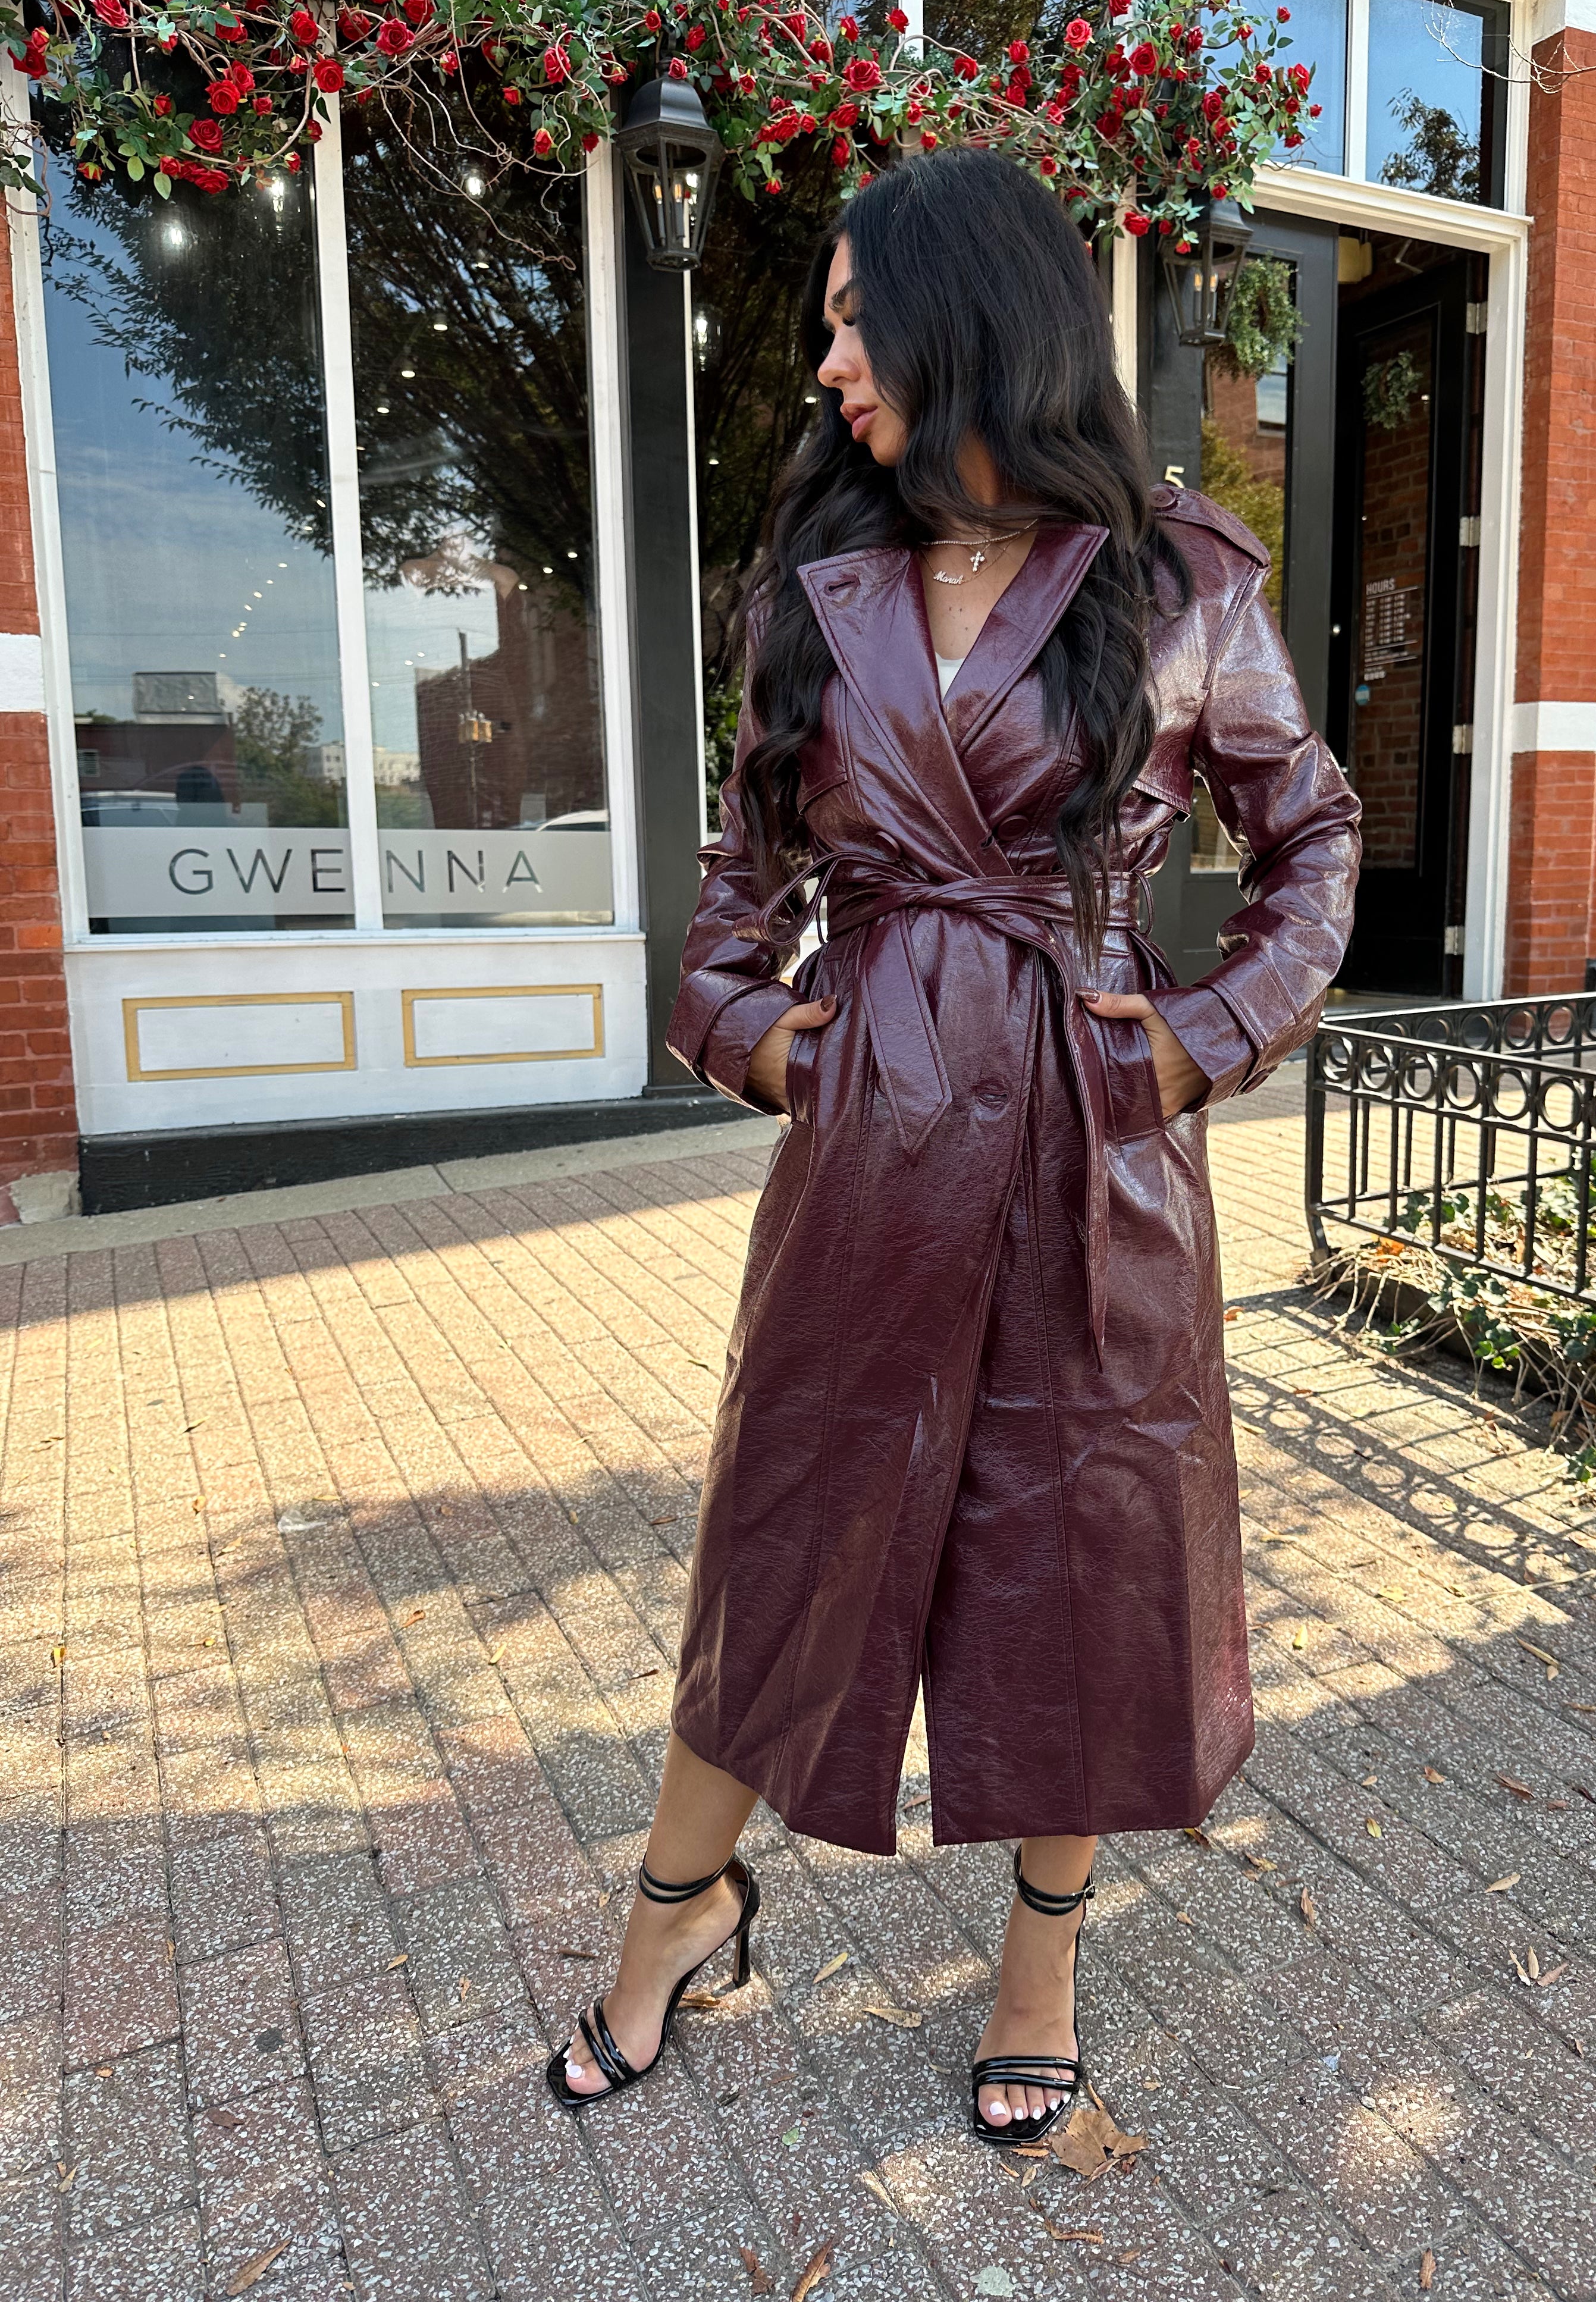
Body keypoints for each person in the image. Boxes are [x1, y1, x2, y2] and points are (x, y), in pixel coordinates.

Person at [547, 145, 1360, 2141]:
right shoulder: (811, 595)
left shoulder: (1181, 583)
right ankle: (674, 1910)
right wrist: (758, 1040)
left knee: (1080, 1551)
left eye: (854, 322)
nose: (828, 365)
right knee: (787, 1529)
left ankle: (1040, 1970)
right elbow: (734, 893)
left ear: (967, 317)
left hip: (1096, 1156)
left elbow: (1315, 842)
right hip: (874, 1154)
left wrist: (1202, 1043)